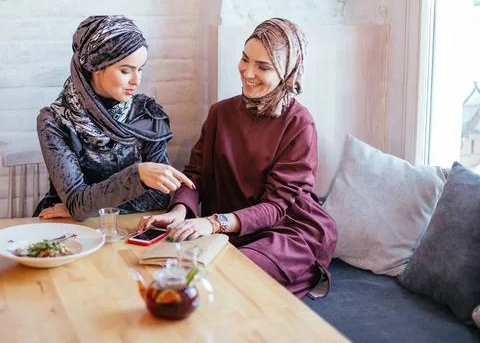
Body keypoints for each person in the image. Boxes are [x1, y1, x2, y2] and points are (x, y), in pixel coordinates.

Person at [137, 18, 338, 299]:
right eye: (245, 59)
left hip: (284, 231)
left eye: (263, 66)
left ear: (286, 72)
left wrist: (213, 223)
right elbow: (195, 174)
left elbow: (276, 207)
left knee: (226, 275)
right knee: (172, 271)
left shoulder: (299, 124)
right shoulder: (221, 113)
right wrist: (178, 212)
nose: (248, 72)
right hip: (228, 227)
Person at [34, 15, 194, 221]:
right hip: (66, 232)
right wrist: (138, 177)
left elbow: (161, 197)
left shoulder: (147, 113)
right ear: (96, 67)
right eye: (126, 70)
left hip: (126, 229)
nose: (136, 80)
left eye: (140, 69)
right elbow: (76, 202)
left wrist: (90, 208)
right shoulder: (55, 121)